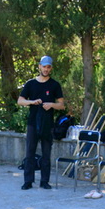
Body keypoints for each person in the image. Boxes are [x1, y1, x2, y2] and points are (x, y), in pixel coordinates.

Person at [17, 55, 65, 190]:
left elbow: (62, 105)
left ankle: (44, 181)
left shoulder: (55, 85)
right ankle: (28, 181)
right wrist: (32, 102)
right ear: (39, 66)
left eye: (48, 67)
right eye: (44, 66)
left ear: (51, 68)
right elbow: (20, 101)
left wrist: (51, 105)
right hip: (33, 123)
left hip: (47, 124)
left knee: (46, 153)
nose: (46, 69)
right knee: (30, 153)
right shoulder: (30, 83)